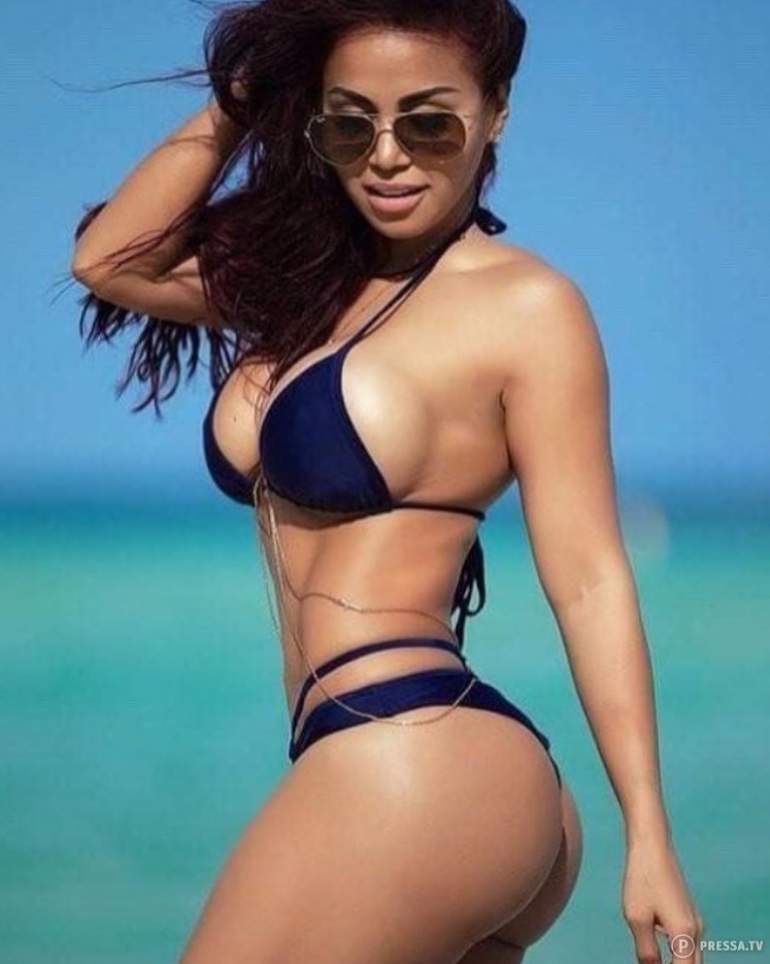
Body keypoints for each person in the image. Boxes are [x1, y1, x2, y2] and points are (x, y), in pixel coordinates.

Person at [71, 1, 705, 962]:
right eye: (348, 124)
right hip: (401, 768)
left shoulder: (525, 308)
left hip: (419, 754)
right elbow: (108, 260)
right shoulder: (305, 290)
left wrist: (648, 835)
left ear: (496, 112)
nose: (387, 157)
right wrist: (244, 97)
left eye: (428, 122)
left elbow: (587, 577)